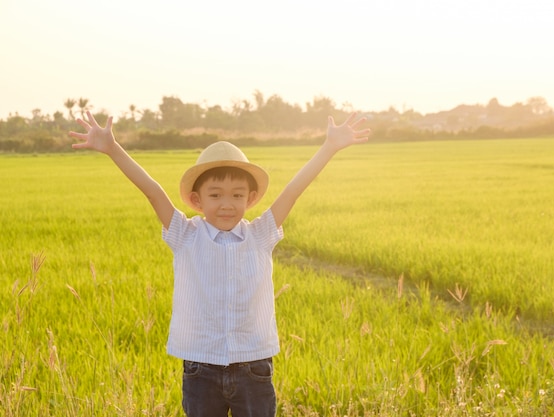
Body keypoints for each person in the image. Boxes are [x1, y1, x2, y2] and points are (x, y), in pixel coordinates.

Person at [69, 111, 369, 417]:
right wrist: (112, 148)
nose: (227, 203)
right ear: (197, 200)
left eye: (237, 195)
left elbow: (292, 191)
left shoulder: (260, 235)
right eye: (215, 195)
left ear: (250, 199)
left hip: (254, 367)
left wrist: (329, 147)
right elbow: (152, 191)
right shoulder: (185, 235)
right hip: (201, 369)